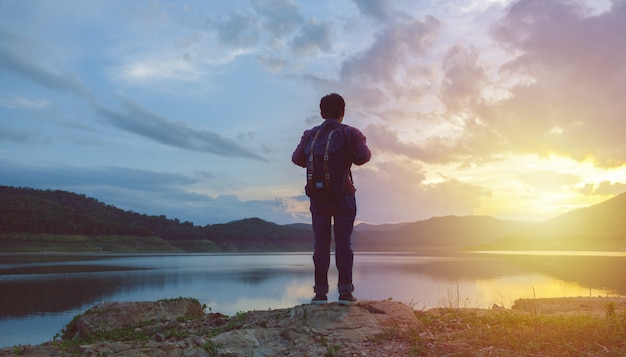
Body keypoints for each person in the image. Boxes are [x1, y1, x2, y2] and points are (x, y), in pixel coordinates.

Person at [291, 93, 371, 305]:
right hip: (343, 194)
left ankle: (320, 294)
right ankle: (345, 293)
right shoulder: (350, 133)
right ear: (343, 112)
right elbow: (364, 156)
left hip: (318, 197)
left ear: (321, 112)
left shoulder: (310, 135)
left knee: (321, 244)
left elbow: (296, 158)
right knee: (343, 243)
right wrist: (346, 158)